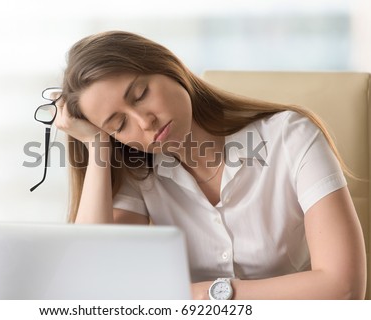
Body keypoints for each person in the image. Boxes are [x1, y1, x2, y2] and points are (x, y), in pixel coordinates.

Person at [53, 31, 366, 299]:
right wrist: (96, 147)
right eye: (119, 124)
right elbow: (90, 280)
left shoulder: (290, 136)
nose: (144, 122)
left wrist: (203, 294)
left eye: (140, 94)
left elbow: (344, 288)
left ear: (167, 67)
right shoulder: (141, 172)